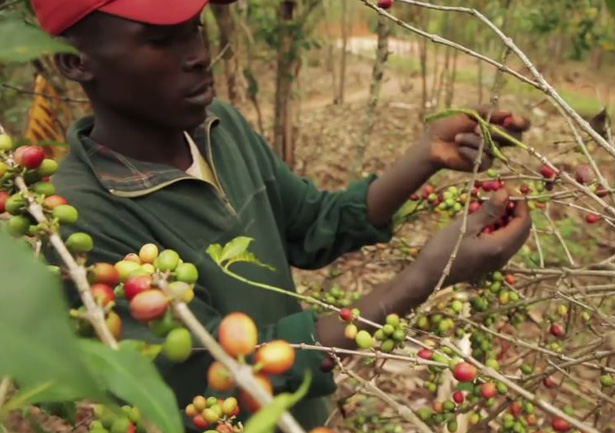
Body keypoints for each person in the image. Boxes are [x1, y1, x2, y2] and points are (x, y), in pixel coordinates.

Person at [31, 0, 531, 429]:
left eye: (197, 27)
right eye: (163, 39)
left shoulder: (221, 129)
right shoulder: (77, 218)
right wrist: (424, 276)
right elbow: (230, 369)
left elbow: (312, 223)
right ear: (74, 62)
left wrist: (426, 154)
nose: (201, 56)